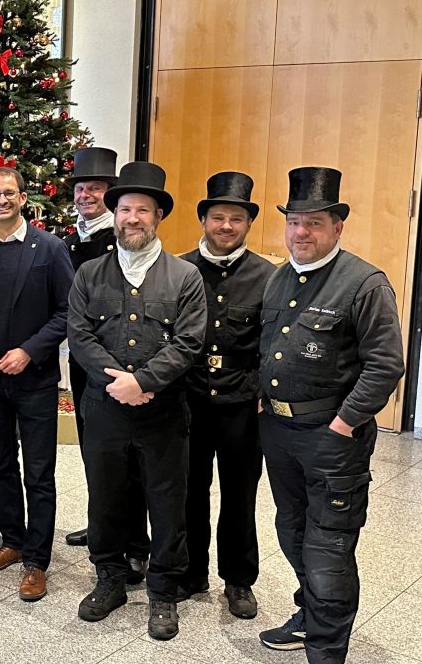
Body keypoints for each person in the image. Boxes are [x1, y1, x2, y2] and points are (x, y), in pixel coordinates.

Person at [257, 167, 404, 663]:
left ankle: (326, 651)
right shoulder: (280, 278)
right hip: (279, 431)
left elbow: (386, 364)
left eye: (314, 222)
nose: (301, 232)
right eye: (294, 222)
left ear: (337, 227)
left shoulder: (363, 284)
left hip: (331, 437)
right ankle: (309, 617)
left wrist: (345, 422)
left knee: (329, 551)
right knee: (292, 532)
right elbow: (270, 346)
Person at [67, 161, 206, 640]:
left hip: (162, 413)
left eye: (142, 210)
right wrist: (116, 382)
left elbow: (189, 343)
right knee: (105, 497)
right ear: (116, 213)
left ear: (158, 216)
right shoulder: (89, 273)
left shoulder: (185, 277)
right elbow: (80, 334)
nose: (132, 218)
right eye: (125, 209)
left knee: (167, 501)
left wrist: (144, 381)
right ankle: (110, 577)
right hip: (103, 411)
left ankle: (164, 589)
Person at [0, 167, 74, 602]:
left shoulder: (49, 248)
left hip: (35, 379)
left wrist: (29, 350)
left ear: (23, 198)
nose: (1, 200)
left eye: (9, 193)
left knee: (39, 472)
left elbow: (66, 311)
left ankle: (36, 560)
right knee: (1, 463)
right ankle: (12, 538)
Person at [179, 172, 274, 619]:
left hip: (242, 402)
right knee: (188, 488)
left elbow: (275, 342)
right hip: (190, 398)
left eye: (236, 218)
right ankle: (191, 571)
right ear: (203, 219)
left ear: (248, 224)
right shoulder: (178, 270)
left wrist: (264, 391)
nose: (226, 226)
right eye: (218, 217)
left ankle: (238, 580)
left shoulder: (269, 277)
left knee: (240, 494)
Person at [58, 147, 150, 583]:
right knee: (98, 449)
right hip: (87, 361)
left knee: (129, 455)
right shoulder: (71, 240)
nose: (86, 195)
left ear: (111, 196)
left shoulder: (123, 240)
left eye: (96, 188)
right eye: (80, 188)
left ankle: (135, 542)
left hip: (127, 368)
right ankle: (104, 526)